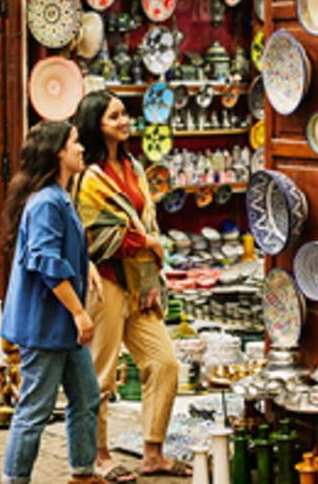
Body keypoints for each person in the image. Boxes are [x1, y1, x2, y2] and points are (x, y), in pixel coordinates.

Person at [73, 90, 192, 481]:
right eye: (114, 117)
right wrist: (147, 244)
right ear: (96, 125)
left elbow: (145, 224)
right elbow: (94, 236)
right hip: (103, 282)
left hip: (138, 285)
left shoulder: (134, 168)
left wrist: (149, 273)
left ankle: (153, 453)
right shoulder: (89, 177)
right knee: (101, 375)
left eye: (124, 114)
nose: (125, 121)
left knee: (164, 363)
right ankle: (99, 456)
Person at [0, 120, 105, 484]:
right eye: (75, 143)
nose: (81, 149)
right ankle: (15, 479)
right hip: (46, 325)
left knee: (87, 398)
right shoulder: (47, 201)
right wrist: (79, 313)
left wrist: (85, 264)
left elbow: (58, 250)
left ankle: (82, 474)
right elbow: (44, 261)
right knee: (34, 410)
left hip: (60, 325)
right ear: (58, 151)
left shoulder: (58, 195)